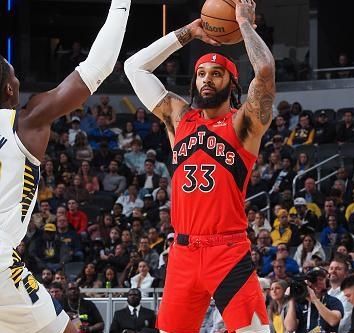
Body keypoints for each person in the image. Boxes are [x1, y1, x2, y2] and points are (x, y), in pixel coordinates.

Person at [124, 0, 275, 331]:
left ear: (232, 85)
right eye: (202, 74)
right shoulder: (179, 118)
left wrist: (245, 24)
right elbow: (134, 68)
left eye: (216, 74)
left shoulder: (243, 124)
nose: (207, 80)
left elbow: (264, 72)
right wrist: (187, 33)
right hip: (181, 251)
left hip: (228, 250)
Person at [0, 6, 129, 332]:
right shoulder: (24, 122)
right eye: (15, 75)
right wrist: (122, 4)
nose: (18, 80)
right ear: (9, 89)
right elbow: (97, 68)